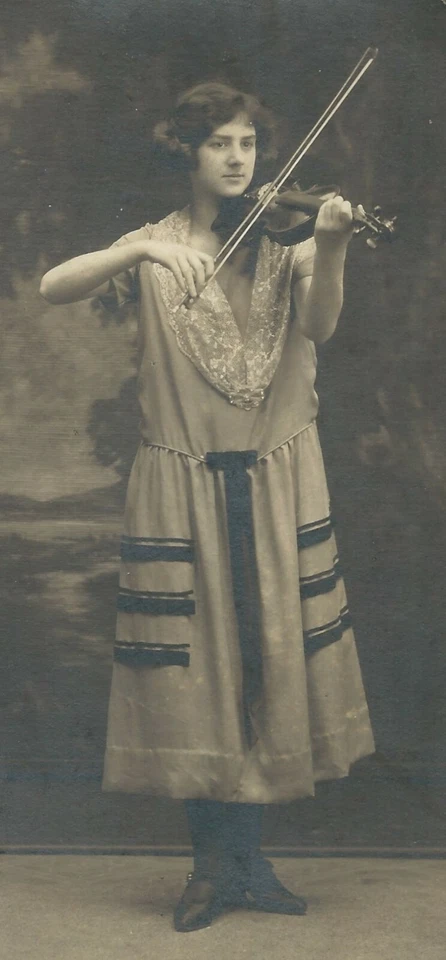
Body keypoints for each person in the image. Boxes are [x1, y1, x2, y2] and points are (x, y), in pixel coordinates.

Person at [40, 80, 375, 932]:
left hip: (277, 474)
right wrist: (135, 255)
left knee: (268, 661)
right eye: (219, 144)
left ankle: (251, 866)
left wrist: (331, 245)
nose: (238, 160)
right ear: (187, 154)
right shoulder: (156, 244)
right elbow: (55, 285)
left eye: (249, 145)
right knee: (197, 679)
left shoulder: (290, 241)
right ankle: (207, 870)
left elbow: (324, 327)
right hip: (180, 481)